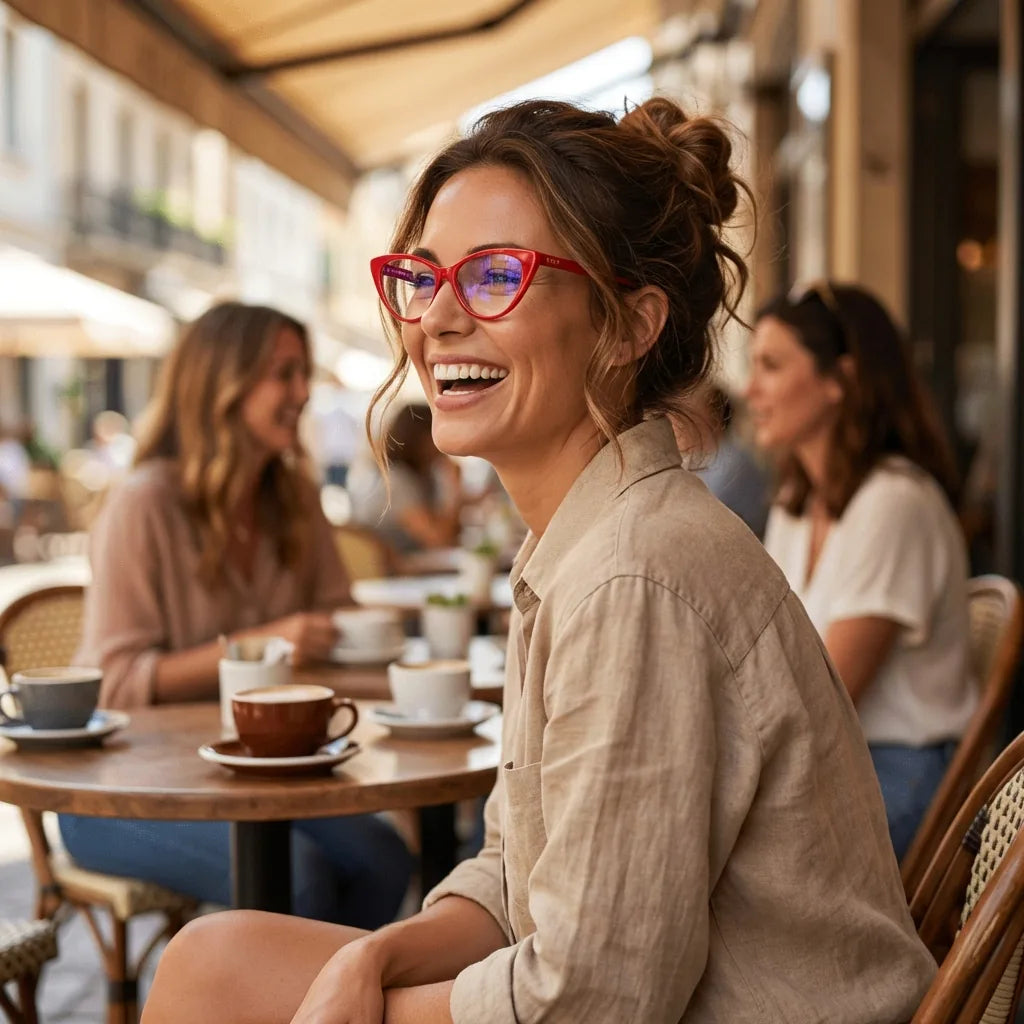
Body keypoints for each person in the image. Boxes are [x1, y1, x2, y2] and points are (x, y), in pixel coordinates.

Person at [142, 100, 934, 1024]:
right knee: (215, 959)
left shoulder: (635, 575)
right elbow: (519, 871)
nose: (435, 318)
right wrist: (378, 956)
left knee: (213, 977)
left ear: (630, 324)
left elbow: (598, 997)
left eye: (496, 276)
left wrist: (369, 1003)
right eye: (424, 277)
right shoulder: (579, 546)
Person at [60, 301, 411, 928]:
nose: (303, 393)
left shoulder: (294, 497)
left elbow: (337, 621)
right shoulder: (144, 505)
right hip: (120, 792)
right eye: (283, 373)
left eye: (304, 372)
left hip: (254, 775)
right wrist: (262, 644)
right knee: (296, 878)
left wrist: (414, 685)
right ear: (221, 383)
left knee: (383, 859)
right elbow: (114, 682)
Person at [748, 281, 975, 861]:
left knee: (731, 870)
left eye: (771, 366)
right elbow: (763, 657)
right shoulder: (797, 504)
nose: (750, 390)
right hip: (827, 759)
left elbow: (825, 693)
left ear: (838, 380)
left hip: (897, 770)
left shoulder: (895, 503)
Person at [347, 401, 464, 553]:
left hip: (408, 564)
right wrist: (453, 487)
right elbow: (439, 540)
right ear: (419, 439)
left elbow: (448, 530)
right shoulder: (397, 480)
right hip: (390, 571)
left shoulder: (425, 476)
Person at [674, 384, 770, 537]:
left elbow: (700, 516)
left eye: (688, 412)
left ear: (710, 416)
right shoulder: (702, 460)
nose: (678, 423)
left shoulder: (733, 462)